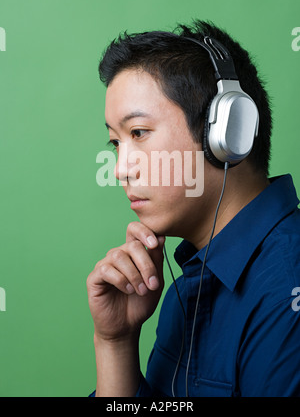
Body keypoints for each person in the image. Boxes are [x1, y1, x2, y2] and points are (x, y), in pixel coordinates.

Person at [87, 20, 300, 397]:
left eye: (138, 133)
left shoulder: (287, 294)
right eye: (115, 143)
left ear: (226, 134)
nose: (120, 169)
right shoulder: (186, 288)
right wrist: (115, 343)